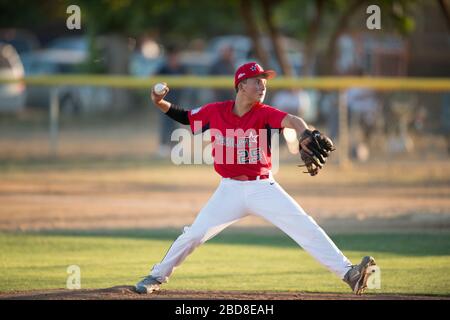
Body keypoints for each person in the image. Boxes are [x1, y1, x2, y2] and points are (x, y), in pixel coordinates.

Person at [136, 62, 377, 295]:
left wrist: (304, 132)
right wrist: (159, 102)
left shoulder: (264, 113)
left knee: (306, 227)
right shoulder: (216, 111)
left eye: (265, 83)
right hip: (228, 191)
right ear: (241, 86)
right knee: (194, 235)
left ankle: (350, 275)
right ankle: (156, 276)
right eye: (257, 82)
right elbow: (185, 116)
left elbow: (291, 120)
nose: (263, 87)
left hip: (263, 188)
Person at [155, 45, 187, 157]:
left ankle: (176, 147)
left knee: (176, 125)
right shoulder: (163, 69)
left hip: (178, 101)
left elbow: (190, 81)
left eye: (175, 56)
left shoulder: (182, 68)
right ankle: (163, 146)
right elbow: (152, 78)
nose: (174, 59)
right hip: (164, 102)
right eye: (172, 57)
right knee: (165, 124)